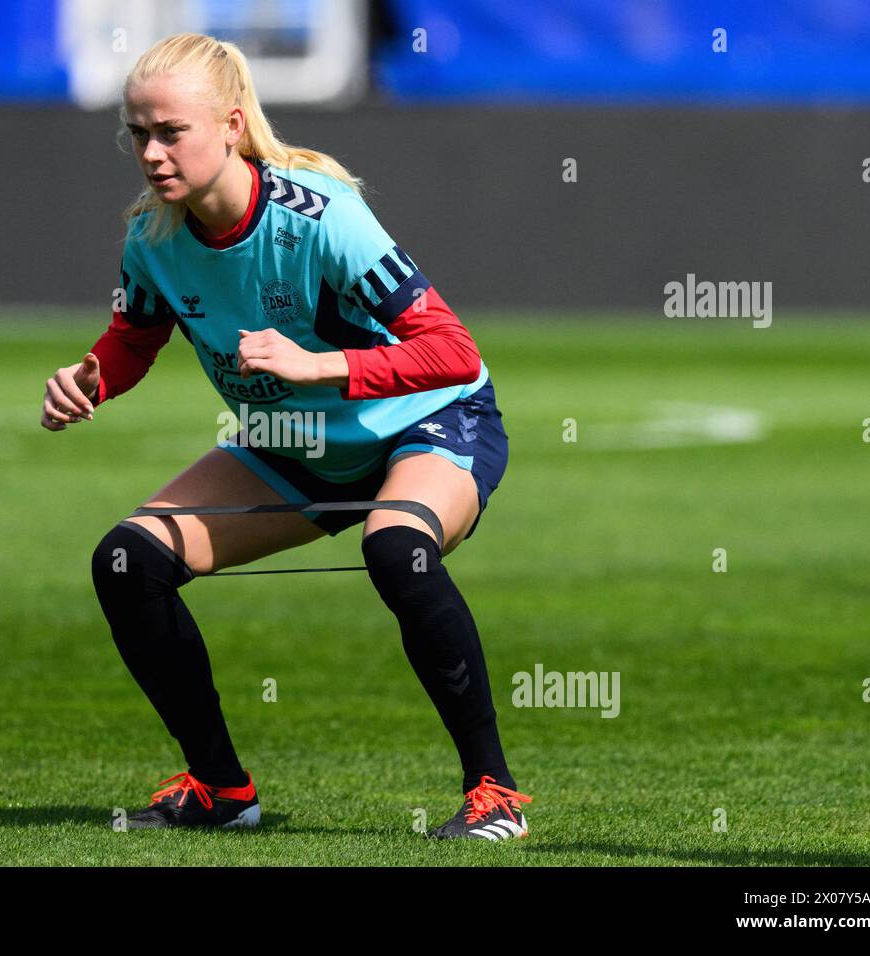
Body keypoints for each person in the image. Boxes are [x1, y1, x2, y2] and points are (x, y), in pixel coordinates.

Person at [42, 33, 532, 841]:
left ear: (231, 126)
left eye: (172, 131)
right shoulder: (153, 238)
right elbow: (133, 339)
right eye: (138, 133)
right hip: (291, 441)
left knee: (395, 548)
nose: (152, 152)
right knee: (126, 561)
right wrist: (92, 376)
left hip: (428, 423)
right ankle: (221, 790)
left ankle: (495, 795)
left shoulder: (321, 216)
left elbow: (454, 352)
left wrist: (323, 366)